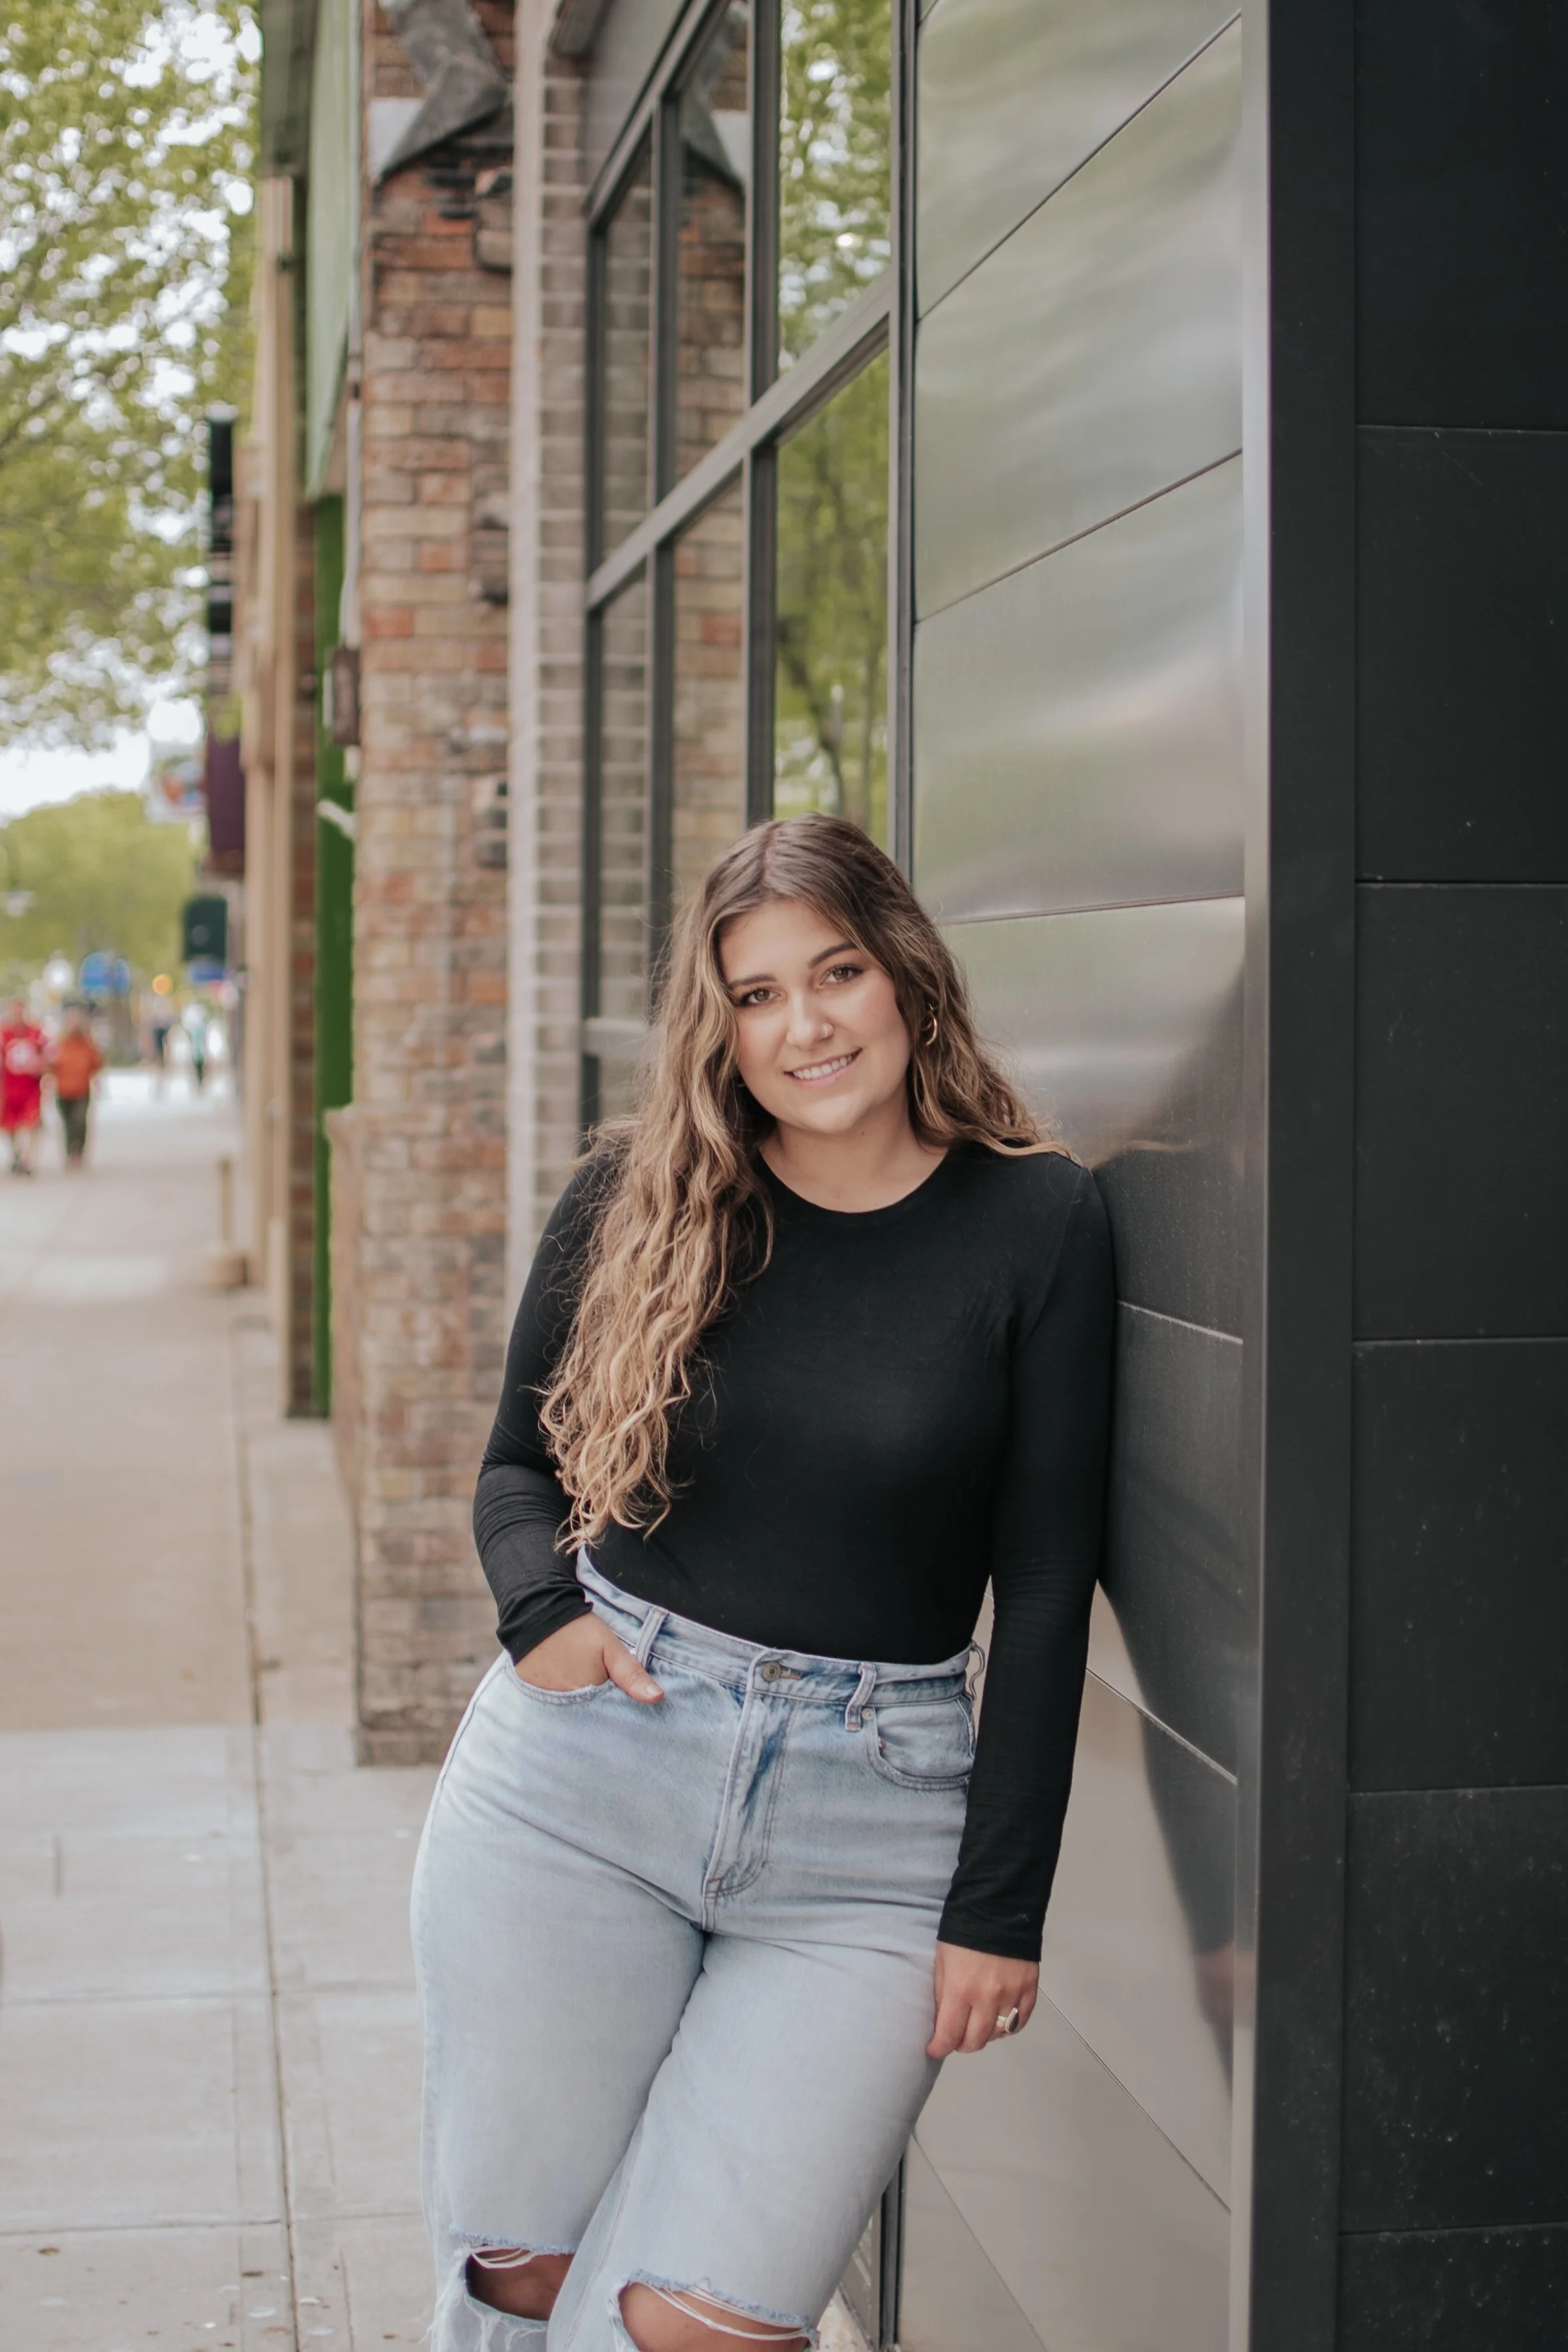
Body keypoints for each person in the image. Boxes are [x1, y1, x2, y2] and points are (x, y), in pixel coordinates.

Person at [413, 814, 1114, 2352]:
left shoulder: (1039, 1220)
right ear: (719, 1024)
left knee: (697, 2322)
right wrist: (547, 1623)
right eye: (756, 994)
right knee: (527, 2276)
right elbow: (515, 1471)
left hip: (874, 1831)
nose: (805, 1024)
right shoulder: (639, 1192)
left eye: (836, 972)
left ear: (906, 972)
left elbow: (1051, 1575)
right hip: (584, 1790)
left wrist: (1002, 1902)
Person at [52, 1006, 103, 1168]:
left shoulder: (88, 1044)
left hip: (82, 1090)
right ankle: (69, 1153)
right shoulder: (59, 1043)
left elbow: (96, 1064)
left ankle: (79, 1151)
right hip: (63, 1090)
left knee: (79, 1122)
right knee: (67, 1124)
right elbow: (51, 1065)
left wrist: (97, 1083)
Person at [1, 998, 47, 1176]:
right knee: (9, 1126)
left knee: (30, 1123)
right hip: (9, 1088)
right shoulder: (3, 1033)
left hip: (30, 1089)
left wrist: (40, 1066)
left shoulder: (36, 1033)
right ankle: (16, 1155)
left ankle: (27, 1160)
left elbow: (46, 1058)